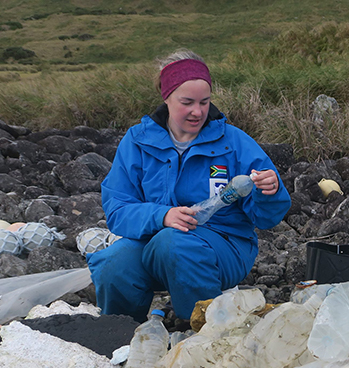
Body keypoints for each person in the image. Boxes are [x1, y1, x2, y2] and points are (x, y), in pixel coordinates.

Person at [86, 49, 291, 322]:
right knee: (114, 263)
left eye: (204, 102)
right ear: (167, 97)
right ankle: (122, 336)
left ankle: (204, 333)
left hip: (224, 247)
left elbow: (266, 218)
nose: (198, 112)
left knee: (174, 243)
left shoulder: (233, 142)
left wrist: (270, 191)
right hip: (153, 241)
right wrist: (162, 215)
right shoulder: (137, 141)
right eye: (188, 102)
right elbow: (118, 209)